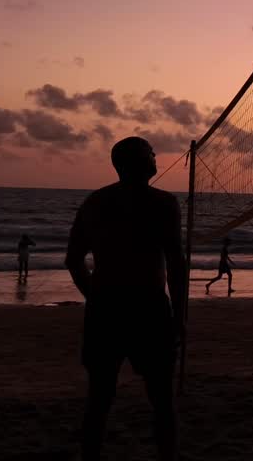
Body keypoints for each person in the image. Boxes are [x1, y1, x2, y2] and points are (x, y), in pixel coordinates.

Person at [65, 137, 185, 461]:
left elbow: (73, 260)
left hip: (106, 310)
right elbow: (175, 263)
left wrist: (96, 297)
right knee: (162, 400)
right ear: (138, 162)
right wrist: (180, 316)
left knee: (99, 399)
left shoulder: (95, 202)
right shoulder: (163, 204)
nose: (156, 157)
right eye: (150, 153)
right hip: (149, 309)